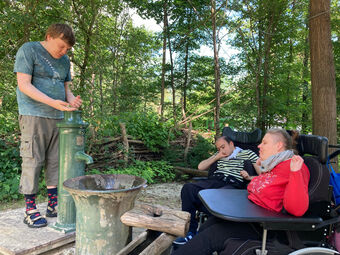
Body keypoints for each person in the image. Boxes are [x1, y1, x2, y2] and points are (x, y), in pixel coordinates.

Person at [172, 129, 310, 254]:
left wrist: (295, 173)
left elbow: (297, 210)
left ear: (278, 145)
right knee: (207, 226)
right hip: (248, 214)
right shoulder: (273, 165)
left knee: (211, 236)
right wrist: (255, 175)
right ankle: (190, 234)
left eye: (264, 143)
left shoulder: (294, 166)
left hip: (263, 225)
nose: (259, 146)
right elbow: (264, 187)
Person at [14, 24, 82, 228]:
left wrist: (71, 100)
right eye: (61, 46)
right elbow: (23, 84)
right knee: (33, 159)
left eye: (67, 49)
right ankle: (30, 209)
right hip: (33, 114)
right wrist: (52, 102)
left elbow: (66, 88)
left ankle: (53, 205)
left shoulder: (64, 61)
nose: (63, 52)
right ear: (49, 37)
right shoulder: (29, 50)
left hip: (59, 118)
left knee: (56, 161)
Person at [173, 136, 260, 245]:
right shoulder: (219, 155)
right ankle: (190, 232)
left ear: (231, 144)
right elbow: (200, 167)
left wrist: (249, 177)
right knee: (188, 188)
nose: (221, 150)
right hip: (215, 180)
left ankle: (205, 237)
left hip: (232, 184)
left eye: (223, 147)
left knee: (219, 197)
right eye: (218, 148)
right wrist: (217, 156)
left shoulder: (248, 153)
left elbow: (263, 175)